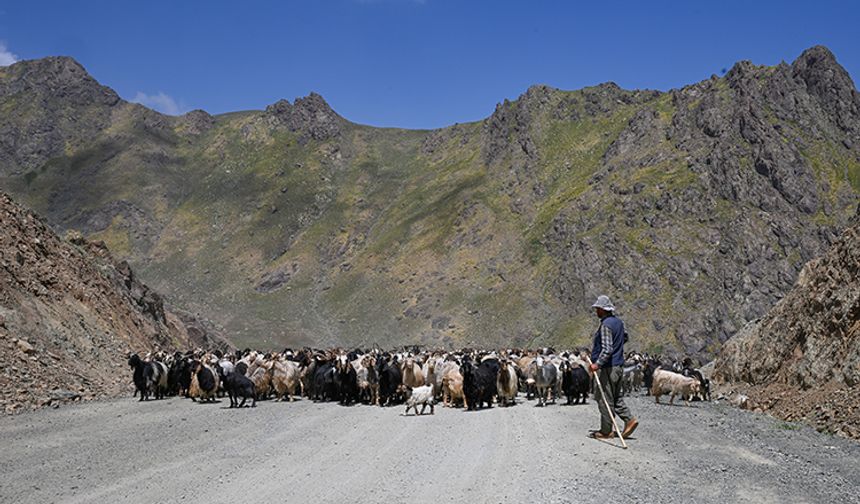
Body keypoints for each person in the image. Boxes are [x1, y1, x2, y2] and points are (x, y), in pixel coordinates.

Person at [588, 295, 638, 440]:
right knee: (616, 397)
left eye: (598, 309)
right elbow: (625, 337)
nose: (596, 311)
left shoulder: (606, 325)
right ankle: (630, 419)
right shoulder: (619, 323)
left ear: (603, 310)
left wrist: (597, 364)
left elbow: (607, 349)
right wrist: (618, 348)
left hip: (608, 368)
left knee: (604, 398)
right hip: (619, 365)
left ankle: (606, 431)